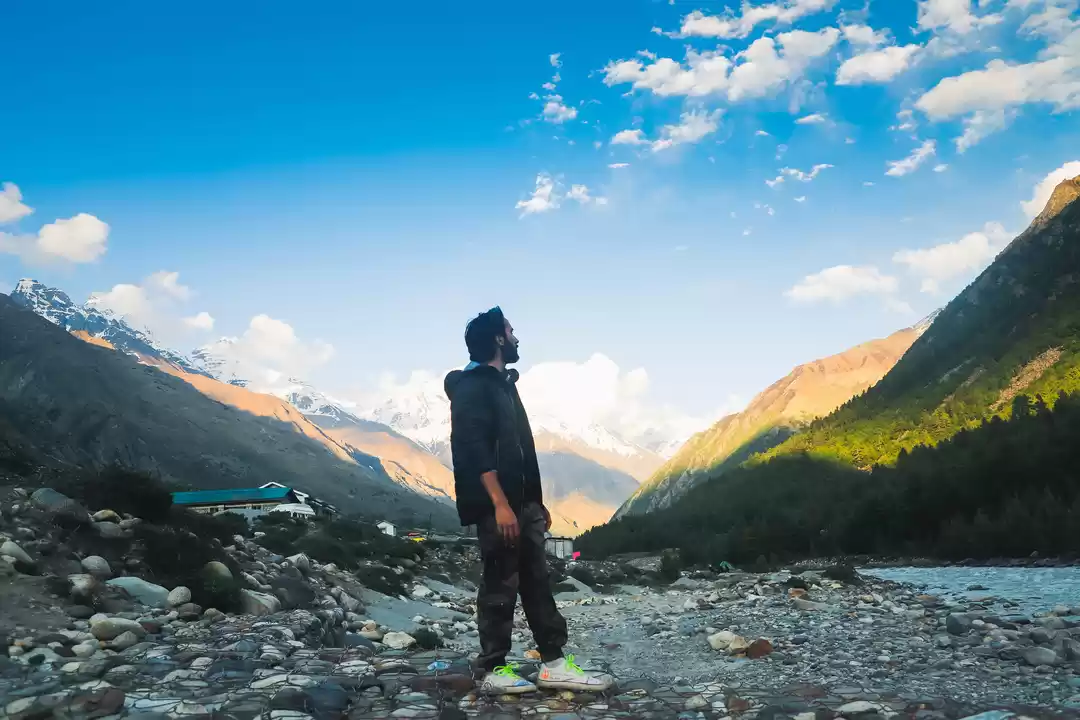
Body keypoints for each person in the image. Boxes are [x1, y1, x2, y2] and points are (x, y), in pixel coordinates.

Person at [444, 307, 613, 695]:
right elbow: (473, 450)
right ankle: (492, 668)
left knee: (537, 582)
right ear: (499, 339)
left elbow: (520, 451)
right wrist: (500, 505)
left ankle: (553, 663)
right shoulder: (472, 386)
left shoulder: (505, 385)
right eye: (511, 331)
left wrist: (535, 503)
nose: (517, 337)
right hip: (498, 507)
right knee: (499, 584)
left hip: (524, 506)